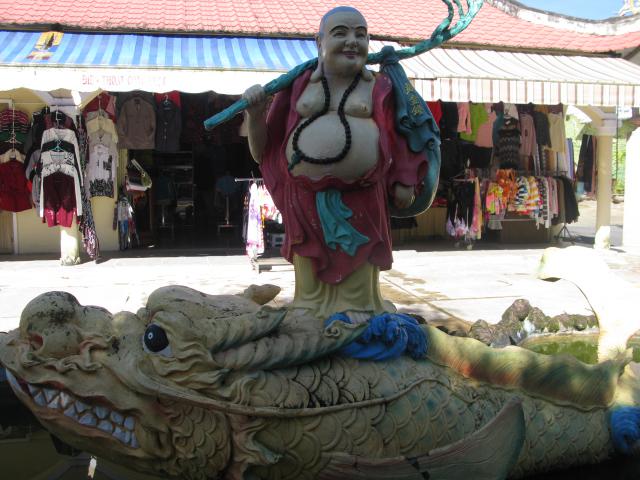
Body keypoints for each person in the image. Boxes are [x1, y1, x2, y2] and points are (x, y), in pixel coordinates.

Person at [243, 6, 427, 322]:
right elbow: (263, 151)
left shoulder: (380, 86)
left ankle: (359, 323)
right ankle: (309, 320)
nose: (352, 41)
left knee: (359, 295)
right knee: (309, 290)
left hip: (362, 198)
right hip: (304, 200)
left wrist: (405, 178)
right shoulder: (297, 84)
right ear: (320, 42)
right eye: (341, 33)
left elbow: (403, 132)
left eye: (361, 34)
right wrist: (255, 116)